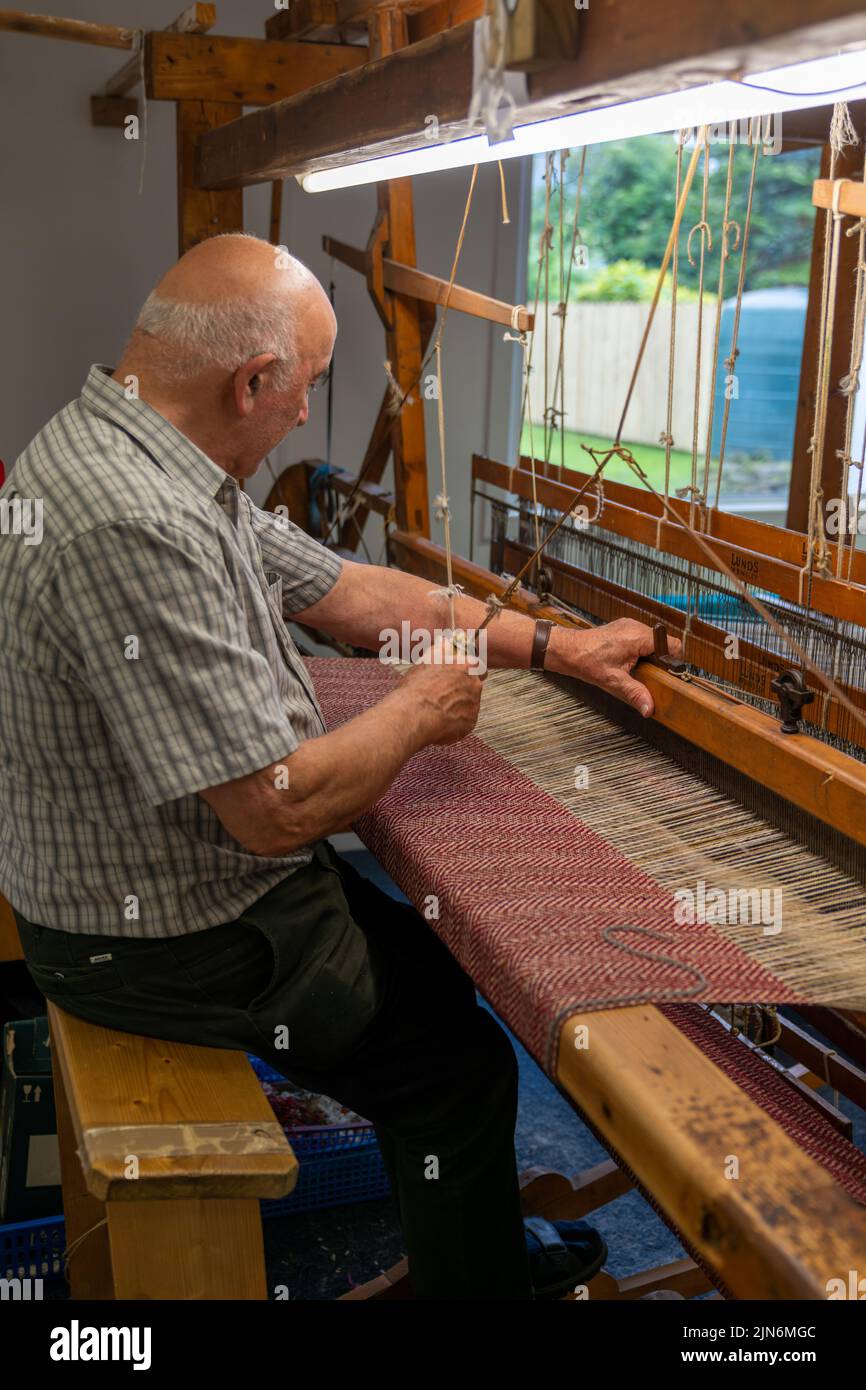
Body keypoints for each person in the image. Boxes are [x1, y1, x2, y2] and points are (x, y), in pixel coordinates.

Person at [0, 233, 674, 1299]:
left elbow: (352, 593)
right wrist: (417, 712)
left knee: (437, 974)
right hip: (158, 939)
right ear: (251, 379)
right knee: (458, 1066)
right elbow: (272, 812)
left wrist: (556, 645)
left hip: (167, 893)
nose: (305, 415)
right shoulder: (132, 520)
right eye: (304, 388)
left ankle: (472, 1236)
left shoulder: (150, 452)